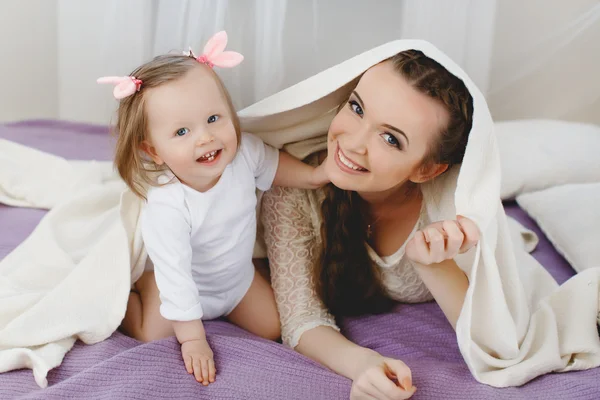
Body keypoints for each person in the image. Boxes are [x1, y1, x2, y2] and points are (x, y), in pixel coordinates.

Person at [97, 31, 328, 386]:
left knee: (272, 327)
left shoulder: (244, 154)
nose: (205, 138)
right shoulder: (169, 205)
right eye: (182, 131)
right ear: (153, 152)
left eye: (214, 119)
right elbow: (175, 271)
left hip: (236, 282)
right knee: (152, 334)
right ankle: (133, 295)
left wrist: (315, 176)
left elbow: (273, 166)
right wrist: (193, 338)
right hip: (182, 284)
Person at [260, 49, 479, 400]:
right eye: (357, 108)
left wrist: (436, 267)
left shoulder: (452, 209)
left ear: (427, 170)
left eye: (390, 139)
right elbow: (300, 317)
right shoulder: (293, 188)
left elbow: (488, 338)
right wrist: (362, 363)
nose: (353, 143)